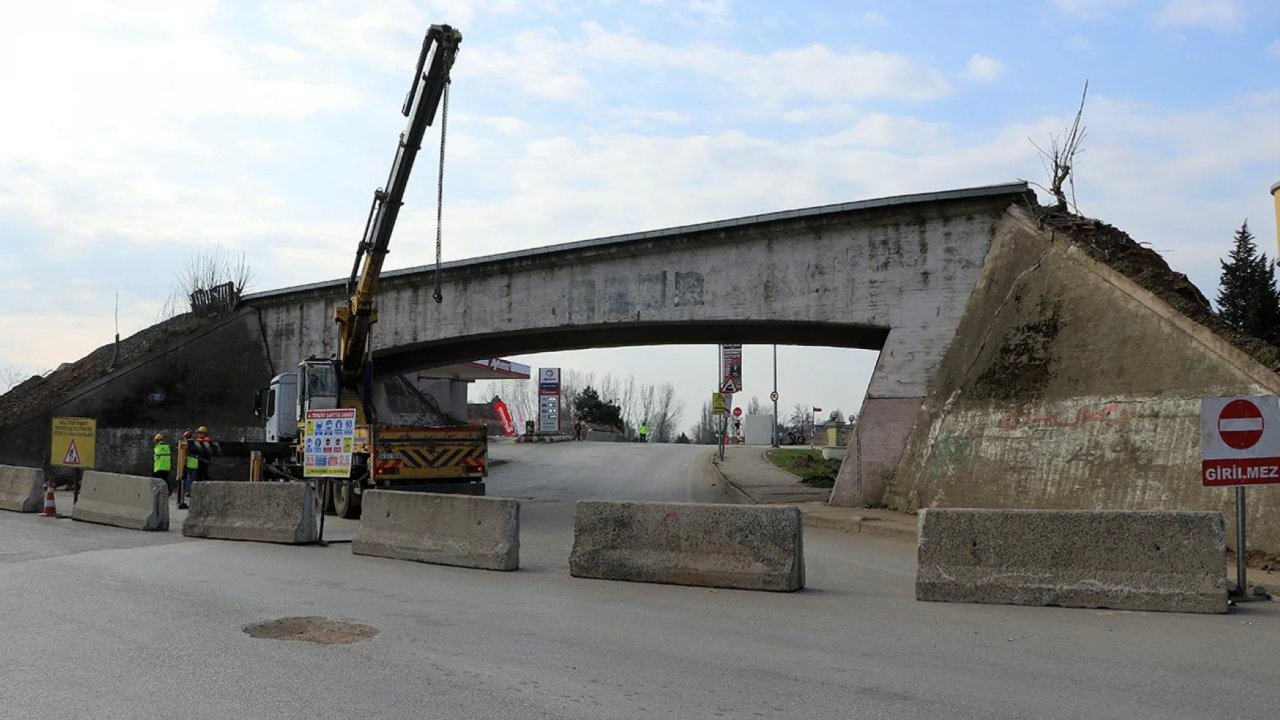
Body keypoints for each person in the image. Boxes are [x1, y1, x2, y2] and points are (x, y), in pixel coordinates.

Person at [182, 430, 198, 498]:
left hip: (189, 463)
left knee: (188, 479)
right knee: (193, 478)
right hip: (195, 463)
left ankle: (189, 491)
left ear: (186, 437)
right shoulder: (196, 442)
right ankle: (194, 491)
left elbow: (183, 452)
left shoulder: (187, 443)